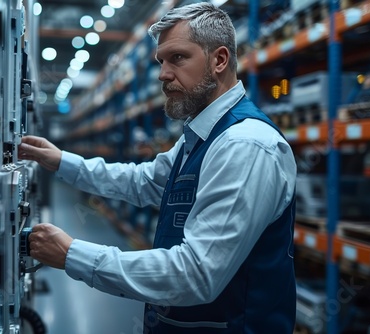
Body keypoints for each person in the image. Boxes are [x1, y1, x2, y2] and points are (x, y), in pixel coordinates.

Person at [18, 2, 297, 333]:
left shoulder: (245, 145)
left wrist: (73, 255)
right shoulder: (201, 135)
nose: (163, 74)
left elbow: (196, 274)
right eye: (160, 61)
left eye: (177, 58)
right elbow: (143, 182)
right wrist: (62, 161)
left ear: (219, 60)